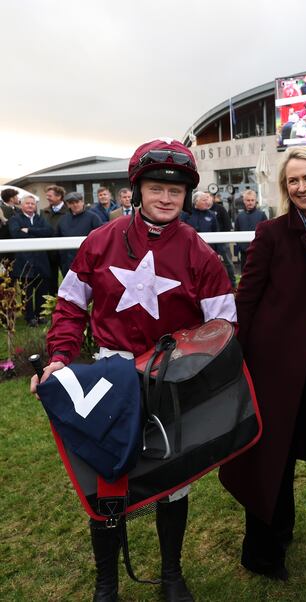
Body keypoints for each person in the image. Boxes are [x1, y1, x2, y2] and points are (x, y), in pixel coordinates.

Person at [33, 138, 236, 602]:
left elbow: (224, 326)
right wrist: (60, 358)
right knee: (108, 476)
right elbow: (68, 306)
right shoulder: (100, 241)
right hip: (112, 376)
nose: (166, 198)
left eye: (177, 191)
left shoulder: (201, 255)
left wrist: (193, 365)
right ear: (137, 189)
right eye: (155, 187)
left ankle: (171, 575)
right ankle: (107, 584)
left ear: (187, 195)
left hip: (174, 377)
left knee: (173, 480)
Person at [219, 145, 306, 581]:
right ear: (285, 187)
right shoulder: (271, 232)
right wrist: (236, 358)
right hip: (273, 365)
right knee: (270, 456)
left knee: (295, 447)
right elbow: (247, 298)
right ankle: (261, 552)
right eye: (294, 180)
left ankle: (284, 528)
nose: (302, 186)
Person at [9, 195, 53, 325]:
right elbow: (16, 233)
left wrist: (29, 230)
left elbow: (49, 231)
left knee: (42, 290)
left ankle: (41, 315)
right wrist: (38, 232)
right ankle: (30, 317)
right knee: (26, 293)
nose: (30, 206)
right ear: (21, 205)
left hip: (41, 261)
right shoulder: (15, 219)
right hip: (24, 261)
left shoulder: (40, 218)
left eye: (32, 204)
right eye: (27, 203)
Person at [55, 191, 103, 276]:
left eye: (77, 202)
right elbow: (57, 239)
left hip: (88, 261)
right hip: (68, 262)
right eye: (71, 203)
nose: (75, 205)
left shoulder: (93, 217)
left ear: (82, 202)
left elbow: (100, 239)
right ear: (68, 205)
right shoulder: (62, 220)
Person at [41, 185, 66, 297]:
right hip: (49, 251)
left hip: (64, 251)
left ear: (59, 196)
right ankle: (52, 303)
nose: (47, 198)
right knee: (51, 280)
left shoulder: (69, 211)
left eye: (50, 196)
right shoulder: (44, 211)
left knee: (68, 278)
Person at [208, 191, 237, 289]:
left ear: (212, 198)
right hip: (209, 243)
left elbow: (227, 224)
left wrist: (222, 238)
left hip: (223, 242)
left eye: (208, 197)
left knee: (228, 262)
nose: (207, 200)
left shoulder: (220, 209)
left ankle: (233, 285)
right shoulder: (202, 211)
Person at [233, 189, 267, 266]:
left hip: (259, 252)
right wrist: (238, 250)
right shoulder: (239, 216)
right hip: (244, 252)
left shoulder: (262, 215)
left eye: (252, 200)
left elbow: (267, 233)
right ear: (244, 201)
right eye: (248, 200)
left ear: (255, 201)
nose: (250, 202)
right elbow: (236, 234)